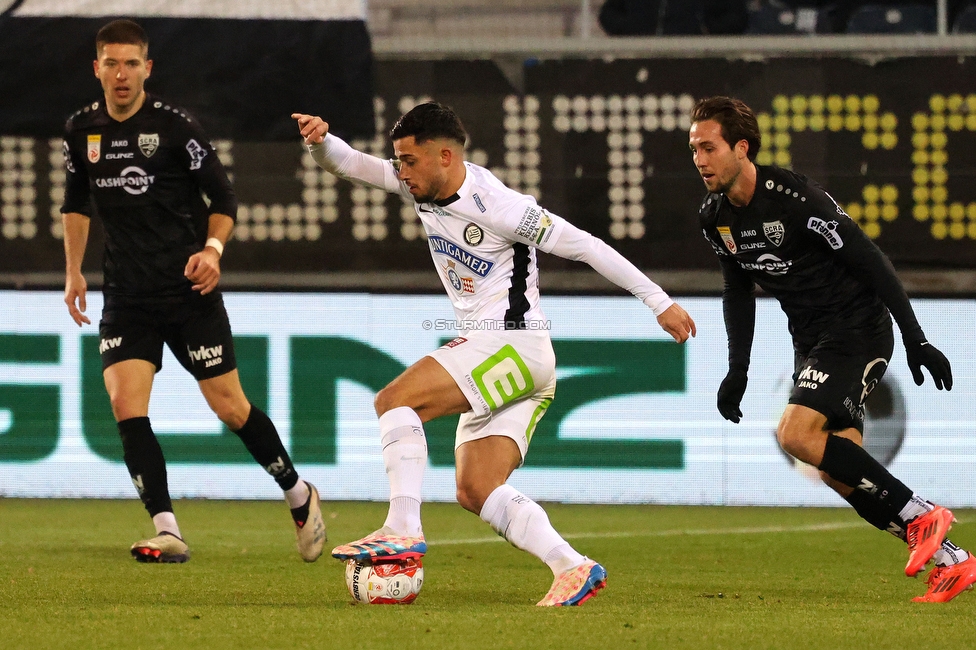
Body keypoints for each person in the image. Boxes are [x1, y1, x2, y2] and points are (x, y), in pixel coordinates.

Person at [293, 102, 696, 606]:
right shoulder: (420, 184)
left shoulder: (502, 207)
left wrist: (659, 302)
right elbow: (350, 163)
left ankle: (401, 526)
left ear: (444, 156)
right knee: (476, 488)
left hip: (512, 343)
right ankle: (573, 567)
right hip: (513, 357)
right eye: (397, 161)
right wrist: (318, 142)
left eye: (408, 161)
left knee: (395, 401)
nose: (400, 171)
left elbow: (586, 246)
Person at [689, 96, 975, 603]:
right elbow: (738, 292)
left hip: (858, 329)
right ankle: (952, 559)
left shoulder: (794, 199)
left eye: (708, 147)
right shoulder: (715, 219)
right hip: (812, 340)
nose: (699, 159)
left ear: (741, 148)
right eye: (694, 149)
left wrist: (916, 338)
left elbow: (869, 259)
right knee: (837, 469)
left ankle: (922, 514)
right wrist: (738, 369)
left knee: (795, 434)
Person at [61, 19, 325, 564]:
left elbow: (224, 201)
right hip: (128, 297)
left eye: (132, 63)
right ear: (97, 69)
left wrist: (212, 252)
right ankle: (168, 530)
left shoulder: (176, 128)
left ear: (147, 68)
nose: (121, 73)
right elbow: (76, 204)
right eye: (111, 63)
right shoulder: (80, 131)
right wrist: (73, 271)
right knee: (124, 403)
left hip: (187, 291)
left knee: (230, 407)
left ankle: (298, 494)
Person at [599, 0, 748, 36]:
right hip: (640, 61)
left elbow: (737, 17)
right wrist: (630, 29)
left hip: (694, 64)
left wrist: (705, 30)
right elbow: (608, 14)